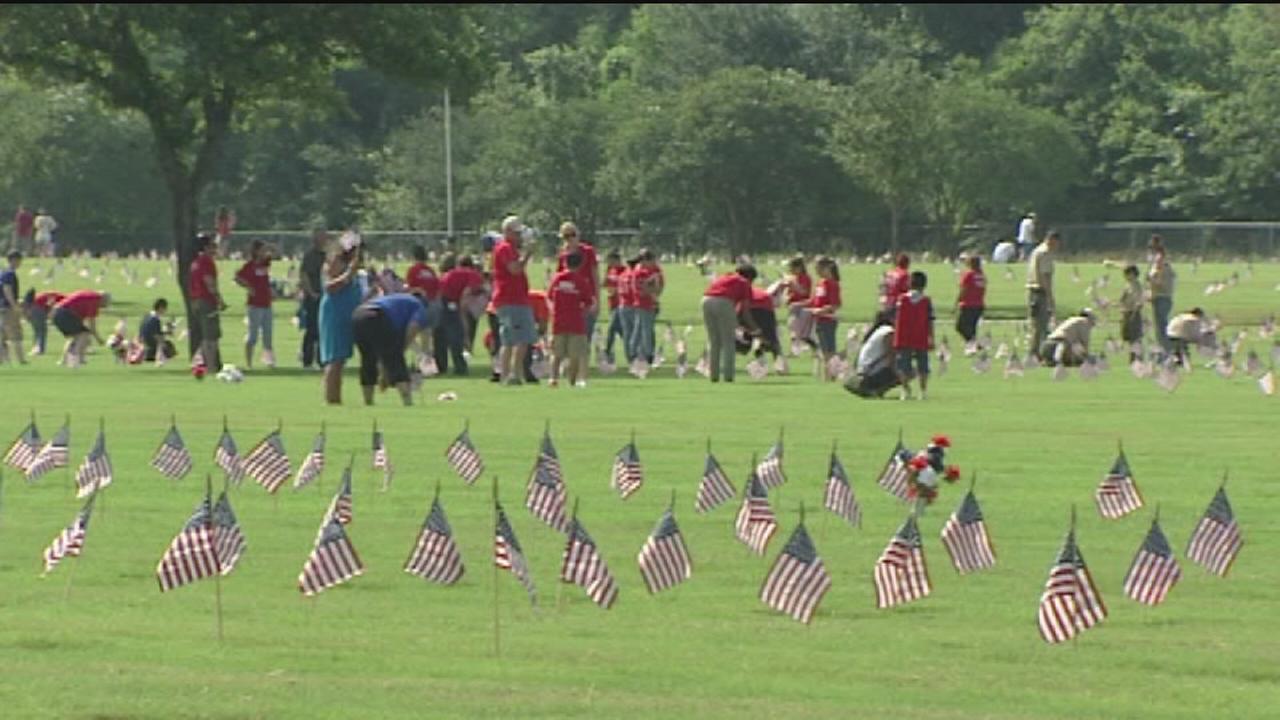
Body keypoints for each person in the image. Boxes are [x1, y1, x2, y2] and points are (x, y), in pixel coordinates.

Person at [351, 291, 431, 406]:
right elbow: (413, 328)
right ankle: (407, 402)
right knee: (396, 361)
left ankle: (368, 402)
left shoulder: (397, 299)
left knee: (368, 360)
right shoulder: (418, 306)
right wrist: (400, 350)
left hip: (358, 315)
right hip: (378, 315)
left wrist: (384, 370)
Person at [319, 231, 364, 404]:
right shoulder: (336, 262)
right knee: (334, 359)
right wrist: (349, 274)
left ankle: (336, 398)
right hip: (335, 312)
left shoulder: (353, 264)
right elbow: (330, 287)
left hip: (348, 312)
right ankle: (332, 399)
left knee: (341, 359)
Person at [492, 216, 535, 385]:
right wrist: (527, 255)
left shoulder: (510, 248)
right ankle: (511, 374)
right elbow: (515, 269)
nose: (519, 236)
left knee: (517, 339)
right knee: (515, 339)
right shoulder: (505, 248)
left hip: (517, 299)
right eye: (516, 233)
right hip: (511, 300)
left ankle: (512, 374)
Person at [701, 264, 759, 383]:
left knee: (714, 341)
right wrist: (754, 328)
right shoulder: (744, 282)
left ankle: (714, 376)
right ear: (750, 277)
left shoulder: (725, 277)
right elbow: (745, 311)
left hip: (706, 300)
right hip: (724, 302)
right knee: (728, 342)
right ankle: (728, 376)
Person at [548, 252, 592, 388]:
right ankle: (571, 381)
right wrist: (582, 312)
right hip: (576, 323)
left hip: (558, 321)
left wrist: (553, 311)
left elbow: (549, 296)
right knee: (575, 355)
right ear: (580, 265)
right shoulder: (581, 281)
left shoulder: (557, 279)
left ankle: (553, 378)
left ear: (565, 263)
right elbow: (589, 302)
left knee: (556, 354)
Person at [436, 254, 485, 376]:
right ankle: (460, 367)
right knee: (455, 334)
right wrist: (462, 314)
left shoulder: (455, 272)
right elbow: (465, 295)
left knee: (440, 333)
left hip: (439, 299)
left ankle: (440, 366)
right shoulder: (474, 275)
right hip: (449, 300)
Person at [234, 239, 275, 369]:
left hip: (266, 303)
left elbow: (274, 253)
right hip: (255, 305)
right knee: (253, 336)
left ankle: (269, 361)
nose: (265, 252)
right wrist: (248, 287)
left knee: (268, 336)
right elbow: (237, 277)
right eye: (262, 250)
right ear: (256, 251)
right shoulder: (249, 266)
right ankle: (249, 362)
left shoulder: (264, 264)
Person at [894, 271, 935, 400]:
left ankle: (905, 389)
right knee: (923, 365)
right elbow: (930, 321)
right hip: (921, 336)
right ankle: (923, 391)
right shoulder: (926, 301)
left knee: (902, 366)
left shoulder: (901, 300)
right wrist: (931, 337)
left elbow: (895, 318)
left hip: (904, 336)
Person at [188, 232, 225, 372]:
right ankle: (211, 366)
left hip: (197, 301)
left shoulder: (195, 263)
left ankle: (208, 364)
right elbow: (209, 282)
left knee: (205, 336)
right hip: (207, 301)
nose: (214, 249)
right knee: (211, 337)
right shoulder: (206, 262)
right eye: (212, 246)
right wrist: (220, 300)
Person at [556, 222, 599, 343]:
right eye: (566, 236)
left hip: (586, 297)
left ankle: (583, 359)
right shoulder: (563, 255)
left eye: (572, 235)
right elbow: (558, 280)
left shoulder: (588, 251)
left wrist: (597, 300)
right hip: (569, 299)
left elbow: (595, 276)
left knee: (586, 333)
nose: (570, 239)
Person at [845, 310, 899, 398]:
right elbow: (891, 356)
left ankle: (873, 389)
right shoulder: (888, 331)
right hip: (869, 374)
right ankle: (876, 390)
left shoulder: (877, 331)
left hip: (862, 372)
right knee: (907, 369)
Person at [52, 290, 110, 366]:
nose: (104, 306)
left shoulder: (91, 296)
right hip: (64, 313)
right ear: (103, 299)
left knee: (76, 337)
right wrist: (98, 339)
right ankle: (75, 359)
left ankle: (64, 361)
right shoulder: (95, 300)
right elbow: (92, 325)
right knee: (84, 334)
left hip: (57, 313)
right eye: (106, 303)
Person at [1026, 229, 1059, 356]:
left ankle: (1035, 352)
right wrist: (1050, 296)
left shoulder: (1037, 251)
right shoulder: (1045, 253)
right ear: (1052, 240)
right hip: (1040, 292)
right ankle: (1038, 353)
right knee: (1041, 325)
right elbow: (1045, 276)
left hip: (1032, 290)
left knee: (1036, 324)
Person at [809, 257, 842, 380]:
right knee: (824, 350)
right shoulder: (820, 283)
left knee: (829, 350)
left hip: (827, 320)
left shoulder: (832, 284)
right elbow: (815, 300)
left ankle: (830, 374)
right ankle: (829, 374)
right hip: (819, 320)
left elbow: (835, 304)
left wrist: (821, 310)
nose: (816, 270)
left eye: (818, 268)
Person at [298, 229, 327, 369]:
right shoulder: (310, 256)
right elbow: (304, 275)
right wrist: (311, 292)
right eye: (321, 237)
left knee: (324, 329)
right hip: (313, 297)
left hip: (326, 297)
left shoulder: (327, 256)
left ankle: (322, 359)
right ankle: (307, 360)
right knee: (312, 329)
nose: (324, 239)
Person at [405, 245, 442, 355]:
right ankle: (426, 361)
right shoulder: (430, 270)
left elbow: (411, 289)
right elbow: (437, 288)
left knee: (406, 334)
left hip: (418, 305)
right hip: (433, 304)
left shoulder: (413, 270)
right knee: (426, 335)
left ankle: (421, 356)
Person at [629, 249, 663, 365]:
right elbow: (642, 290)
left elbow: (659, 288)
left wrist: (654, 290)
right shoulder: (639, 272)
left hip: (651, 303)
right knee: (645, 330)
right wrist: (652, 289)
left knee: (641, 328)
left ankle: (635, 352)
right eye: (651, 260)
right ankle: (647, 354)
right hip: (642, 304)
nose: (653, 263)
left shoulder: (655, 270)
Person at [1148, 234, 1176, 358]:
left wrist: (1151, 282)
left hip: (1162, 298)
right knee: (1160, 328)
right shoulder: (1160, 262)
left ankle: (1168, 353)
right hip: (1160, 298)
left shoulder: (1161, 263)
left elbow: (1160, 283)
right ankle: (1165, 351)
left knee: (1162, 328)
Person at [742, 285, 781, 362]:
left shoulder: (741, 292)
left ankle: (761, 361)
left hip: (754, 309)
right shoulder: (758, 291)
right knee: (771, 340)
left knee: (756, 338)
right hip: (767, 310)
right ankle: (779, 364)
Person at [0, 251, 26, 363]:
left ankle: (4, 359)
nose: (20, 263)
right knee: (15, 333)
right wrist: (14, 306)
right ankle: (21, 359)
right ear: (14, 260)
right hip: (8, 308)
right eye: (19, 260)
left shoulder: (3, 273)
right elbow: (7, 289)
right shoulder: (9, 274)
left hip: (3, 307)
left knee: (2, 335)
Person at [954, 254, 986, 344]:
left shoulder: (969, 275)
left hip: (968, 304)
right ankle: (972, 345)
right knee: (972, 327)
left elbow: (963, 290)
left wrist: (957, 301)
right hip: (979, 305)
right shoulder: (981, 275)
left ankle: (973, 343)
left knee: (960, 326)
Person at [602, 250, 626, 363]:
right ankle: (631, 349)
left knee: (612, 328)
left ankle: (607, 351)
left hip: (620, 304)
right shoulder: (611, 270)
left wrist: (615, 290)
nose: (609, 263)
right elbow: (605, 284)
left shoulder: (624, 271)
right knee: (620, 330)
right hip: (611, 303)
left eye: (611, 260)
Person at [784, 255, 812, 348]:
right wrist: (787, 297)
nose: (790, 270)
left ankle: (798, 344)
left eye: (792, 267)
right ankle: (795, 346)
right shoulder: (793, 277)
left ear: (799, 267)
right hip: (793, 305)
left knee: (795, 326)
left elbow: (804, 292)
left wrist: (793, 283)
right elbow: (789, 292)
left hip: (802, 305)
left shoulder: (805, 278)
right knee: (792, 325)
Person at [26, 289, 64, 356]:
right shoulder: (63, 299)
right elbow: (50, 304)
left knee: (37, 330)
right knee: (42, 330)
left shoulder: (55, 295)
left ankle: (35, 348)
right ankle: (40, 350)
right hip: (38, 308)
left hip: (35, 307)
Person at [1118, 264, 1144, 362]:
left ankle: (1137, 358)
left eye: (1127, 274)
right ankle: (1132, 357)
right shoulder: (1128, 285)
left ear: (1132, 274)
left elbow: (1138, 300)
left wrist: (1135, 310)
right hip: (1126, 313)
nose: (1125, 276)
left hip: (1133, 313)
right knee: (1128, 337)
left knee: (1135, 337)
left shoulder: (1137, 286)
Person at [615, 257, 638, 364]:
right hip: (633, 305)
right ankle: (634, 354)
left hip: (622, 305)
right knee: (636, 332)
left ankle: (628, 355)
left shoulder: (622, 275)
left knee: (627, 333)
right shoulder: (634, 275)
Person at [138, 298, 175, 362]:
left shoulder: (147, 316)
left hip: (142, 341)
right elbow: (157, 335)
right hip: (150, 344)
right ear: (160, 308)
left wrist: (166, 332)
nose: (165, 310)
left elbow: (154, 331)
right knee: (169, 345)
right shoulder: (155, 319)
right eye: (165, 308)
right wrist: (164, 344)